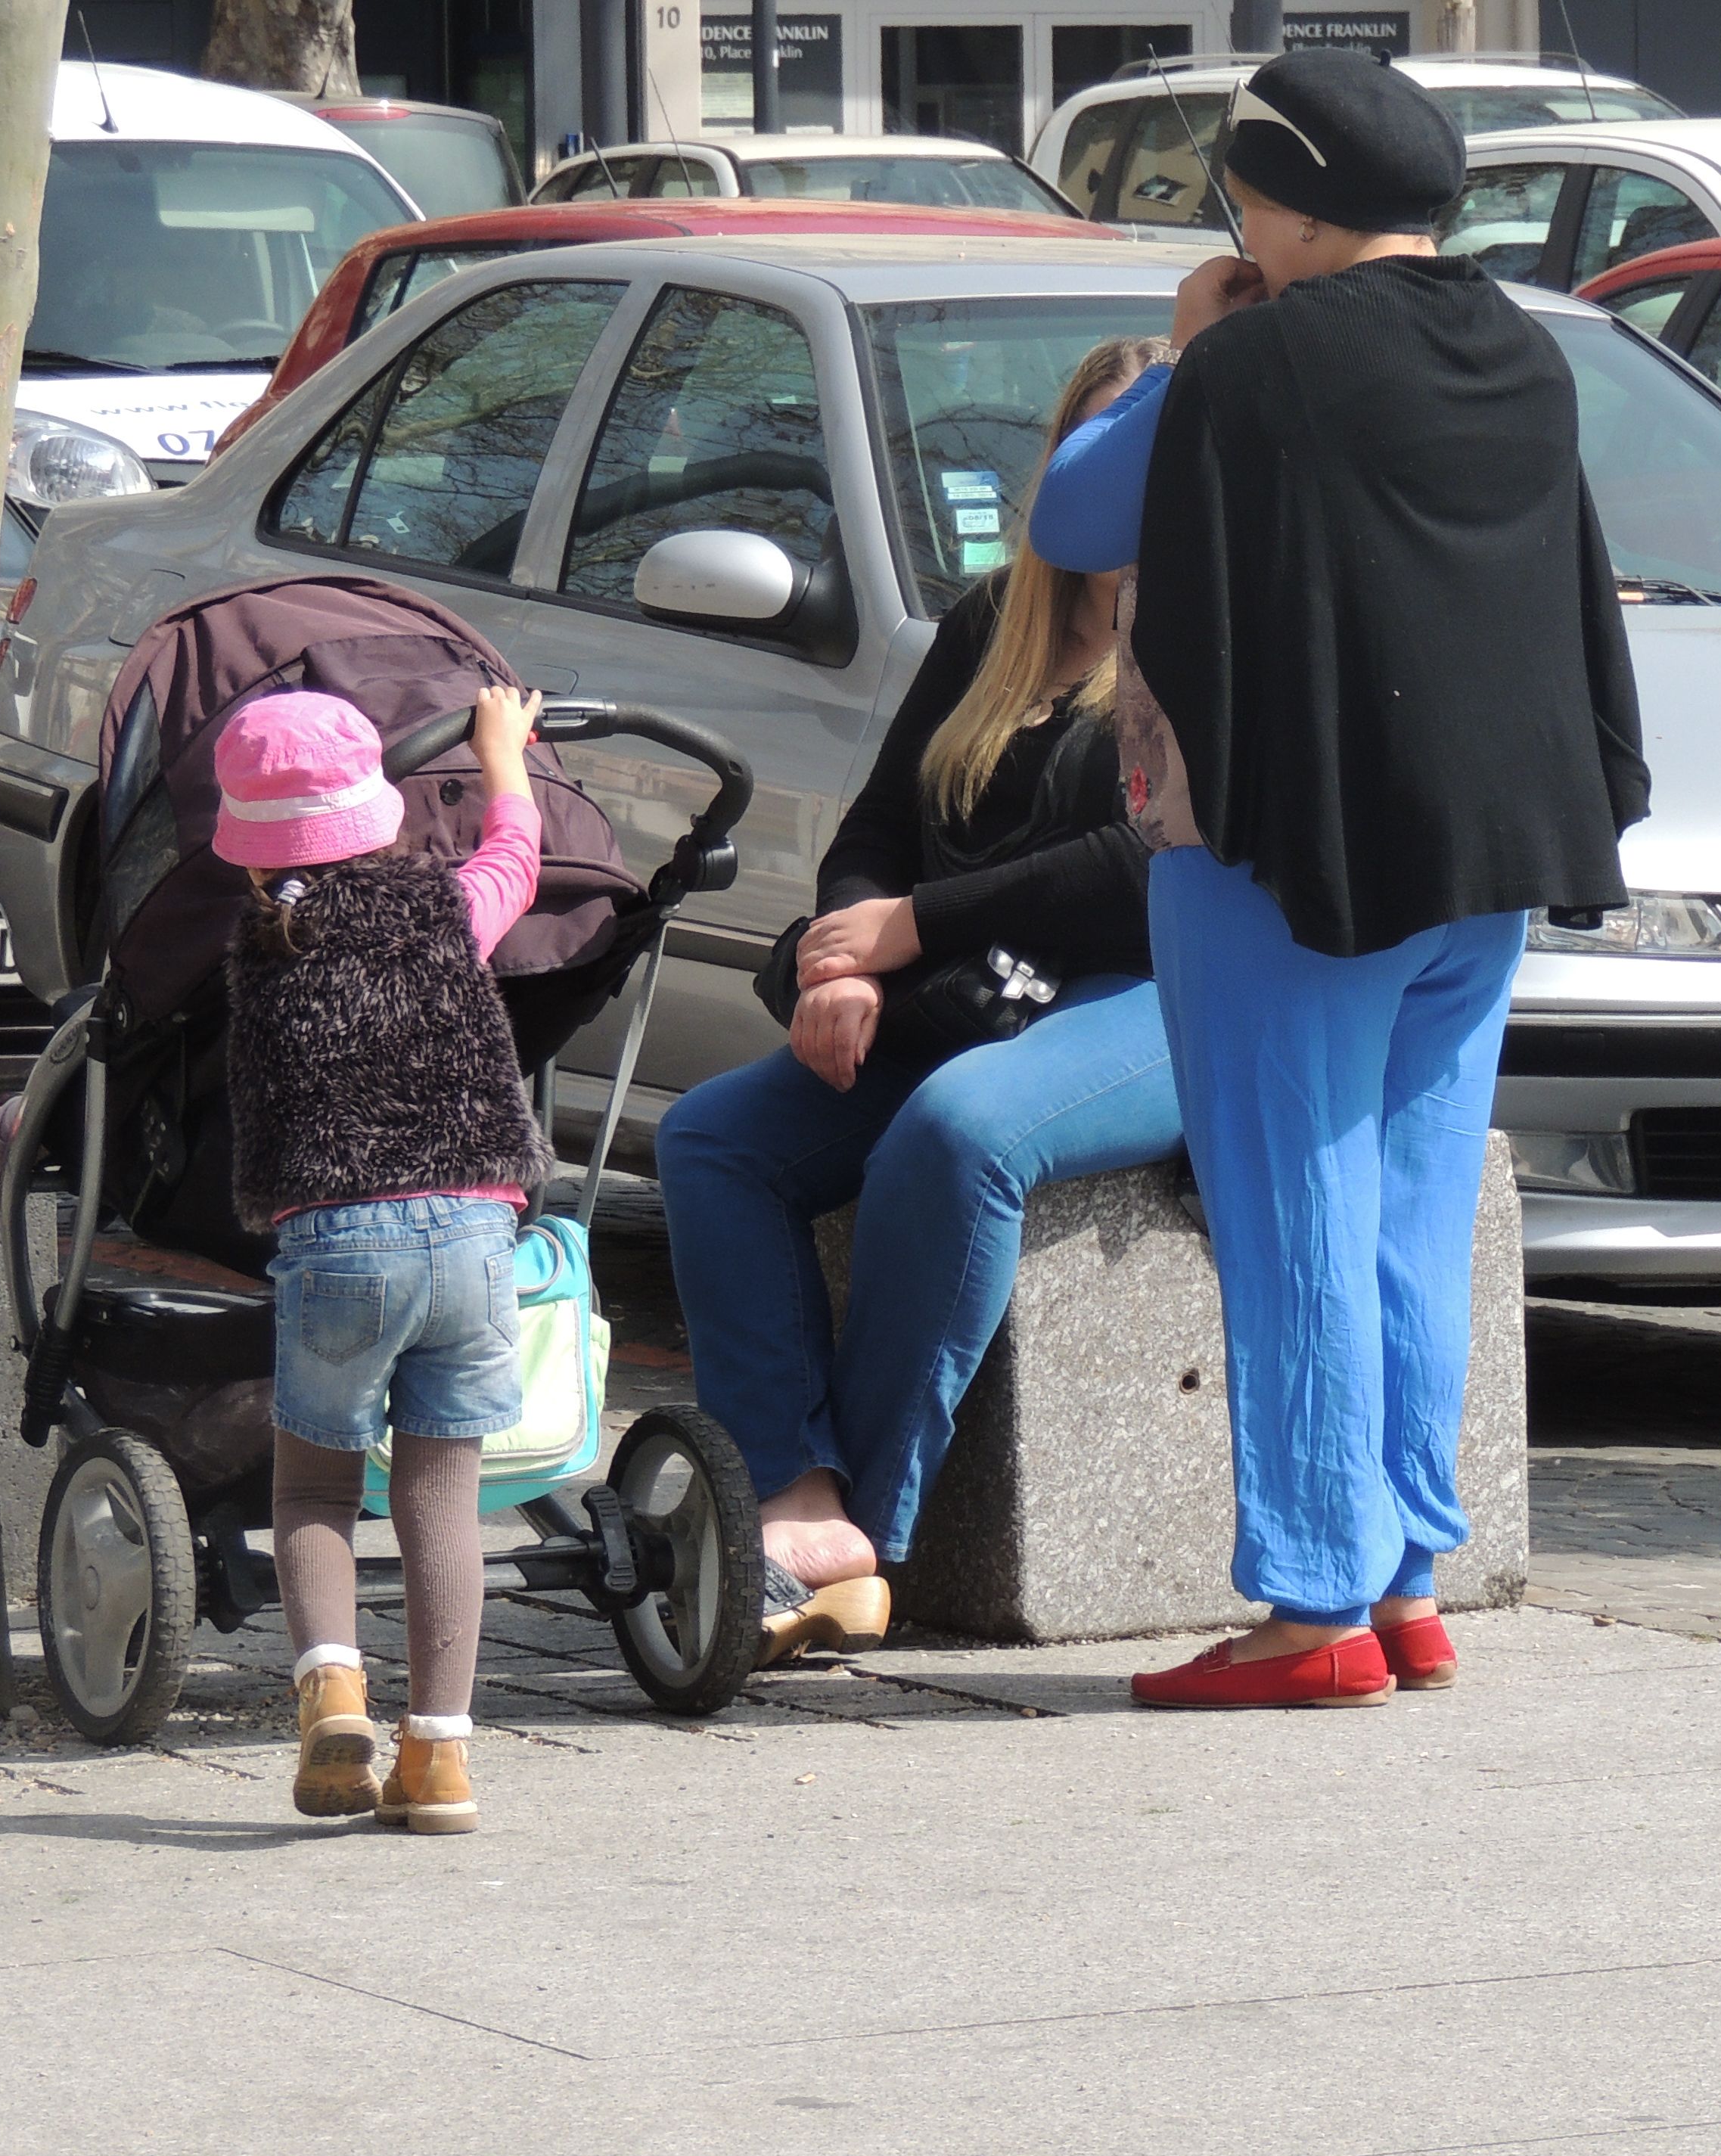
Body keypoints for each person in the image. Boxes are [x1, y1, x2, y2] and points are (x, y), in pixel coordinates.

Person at [1029, 51, 1649, 1710]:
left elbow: (1077, 516)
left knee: (1294, 1207)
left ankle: (1312, 1606)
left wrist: (1185, 344)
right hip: (1487, 850)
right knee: (1414, 1214)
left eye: (1241, 202)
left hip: (1287, 857)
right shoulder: (1519, 346)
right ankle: (1407, 1574)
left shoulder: (1259, 359)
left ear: (1287, 208)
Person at [657, 337, 1185, 1613]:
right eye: (1097, 454)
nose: (1120, 489)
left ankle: (872, 1528)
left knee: (958, 1135)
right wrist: (848, 955)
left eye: (1151, 459)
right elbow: (879, 829)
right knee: (712, 1140)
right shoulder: (990, 622)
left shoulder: (1205, 628)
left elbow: (1149, 856)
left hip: (1161, 991)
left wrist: (914, 925)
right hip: (961, 986)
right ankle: (791, 1494)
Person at [221, 683, 552, 1837]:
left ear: (248, 855)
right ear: (379, 815)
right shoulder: (448, 911)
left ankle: (332, 1690)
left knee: (314, 1484)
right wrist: (500, 753)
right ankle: (443, 1763)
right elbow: (516, 851)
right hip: (473, 1233)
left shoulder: (260, 947)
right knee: (443, 1500)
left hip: (337, 1242)